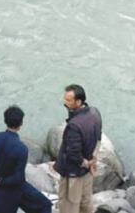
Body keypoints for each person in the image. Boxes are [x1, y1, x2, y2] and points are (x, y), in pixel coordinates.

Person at [0, 105, 52, 213]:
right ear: (21, 124)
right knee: (45, 205)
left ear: (5, 120)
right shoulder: (21, 148)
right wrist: (0, 181)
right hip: (16, 188)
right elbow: (18, 178)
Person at [54, 84, 102, 213]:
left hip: (73, 173)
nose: (65, 102)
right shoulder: (95, 113)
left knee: (68, 205)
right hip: (87, 172)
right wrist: (93, 160)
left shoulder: (74, 125)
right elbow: (98, 139)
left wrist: (86, 164)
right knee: (86, 202)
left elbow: (73, 154)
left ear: (78, 101)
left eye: (68, 100)